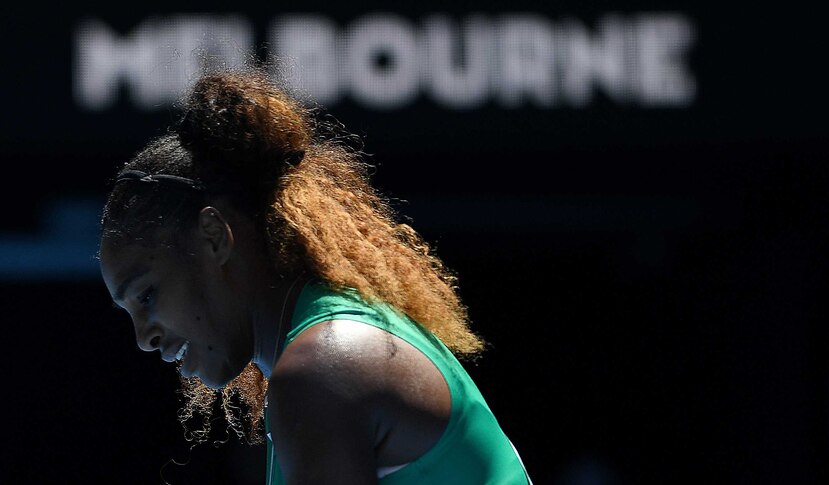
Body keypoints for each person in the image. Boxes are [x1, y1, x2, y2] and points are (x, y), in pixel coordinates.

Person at [98, 66, 532, 484]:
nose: (143, 338)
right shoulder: (328, 345)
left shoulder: (323, 368)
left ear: (214, 237)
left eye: (147, 295)